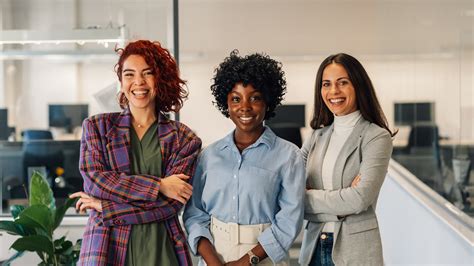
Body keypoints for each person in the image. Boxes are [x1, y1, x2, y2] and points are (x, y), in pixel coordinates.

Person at [70, 40, 202, 266]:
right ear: (121, 82)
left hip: (162, 252)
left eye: (147, 73)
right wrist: (159, 186)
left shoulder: (184, 139)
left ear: (159, 80)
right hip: (106, 249)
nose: (138, 82)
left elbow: (170, 206)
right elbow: (95, 183)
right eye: (129, 74)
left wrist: (105, 207)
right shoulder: (97, 127)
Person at [183, 51, 305, 265]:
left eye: (255, 98)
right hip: (214, 255)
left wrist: (246, 261)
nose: (245, 107)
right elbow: (194, 214)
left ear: (268, 102)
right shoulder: (208, 156)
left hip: (263, 256)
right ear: (226, 103)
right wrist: (213, 261)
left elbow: (289, 220)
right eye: (236, 99)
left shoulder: (289, 156)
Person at [298, 53, 396, 266]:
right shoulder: (316, 136)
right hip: (313, 248)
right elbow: (290, 194)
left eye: (343, 82)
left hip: (355, 252)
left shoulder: (376, 137)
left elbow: (360, 199)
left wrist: (309, 195)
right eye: (327, 84)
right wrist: (342, 203)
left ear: (358, 86)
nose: (334, 91)